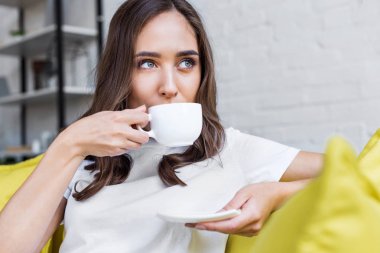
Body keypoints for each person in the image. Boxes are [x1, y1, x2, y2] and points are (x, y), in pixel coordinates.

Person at [0, 0, 323, 252]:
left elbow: (365, 170)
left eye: (186, 63)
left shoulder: (230, 148)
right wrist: (69, 144)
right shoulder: (85, 157)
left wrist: (279, 193)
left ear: (202, 72)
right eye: (147, 63)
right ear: (121, 72)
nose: (170, 85)